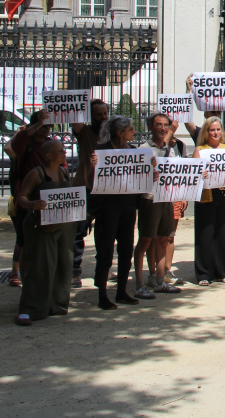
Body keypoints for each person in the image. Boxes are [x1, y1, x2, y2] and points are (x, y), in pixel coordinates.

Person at [13, 139, 76, 326]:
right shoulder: (36, 174)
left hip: (63, 225)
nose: (64, 152)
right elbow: (21, 197)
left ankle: (57, 303)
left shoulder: (64, 172)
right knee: (40, 266)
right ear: (48, 155)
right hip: (40, 226)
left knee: (63, 265)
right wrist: (33, 204)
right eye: (60, 151)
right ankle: (29, 308)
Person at [89, 116, 143, 309]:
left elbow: (140, 178)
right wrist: (94, 166)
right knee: (105, 251)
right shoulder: (102, 151)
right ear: (120, 132)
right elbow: (92, 179)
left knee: (126, 249)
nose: (133, 132)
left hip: (128, 207)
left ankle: (122, 291)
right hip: (107, 208)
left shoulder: (135, 152)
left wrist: (150, 171)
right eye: (130, 129)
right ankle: (102, 294)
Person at [134, 112, 183, 298]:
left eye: (165, 125)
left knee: (164, 239)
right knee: (145, 241)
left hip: (167, 199)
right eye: (158, 125)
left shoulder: (170, 150)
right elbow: (135, 179)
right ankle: (139, 284)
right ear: (150, 127)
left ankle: (160, 280)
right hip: (150, 200)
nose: (162, 128)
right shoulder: (143, 149)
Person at [5, 110, 54, 287]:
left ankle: (44, 285)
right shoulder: (25, 145)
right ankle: (27, 286)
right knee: (25, 245)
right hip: (26, 204)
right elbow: (16, 142)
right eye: (42, 126)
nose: (46, 129)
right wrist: (37, 125)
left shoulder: (52, 145)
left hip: (49, 203)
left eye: (49, 126)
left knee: (48, 245)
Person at [69, 99, 110, 288]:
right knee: (78, 232)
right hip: (84, 188)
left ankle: (103, 269)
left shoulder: (112, 135)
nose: (103, 118)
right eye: (98, 114)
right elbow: (74, 120)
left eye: (105, 113)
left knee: (104, 232)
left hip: (105, 190)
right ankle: (74, 272)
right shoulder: (85, 132)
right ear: (90, 116)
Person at [192, 116, 225, 285]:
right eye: (212, 130)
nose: (215, 132)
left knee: (224, 233)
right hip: (206, 195)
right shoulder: (200, 150)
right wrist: (200, 173)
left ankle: (223, 271)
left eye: (218, 129)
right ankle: (204, 273)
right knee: (205, 233)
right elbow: (193, 173)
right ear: (206, 132)